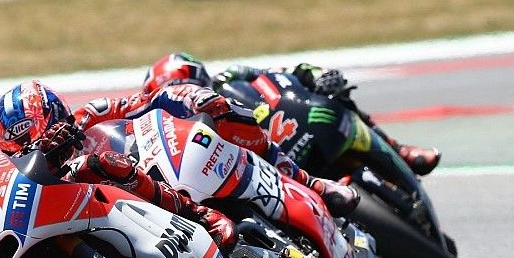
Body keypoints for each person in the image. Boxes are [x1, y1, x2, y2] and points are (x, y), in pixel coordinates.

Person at [64, 53, 359, 217]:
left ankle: (313, 184)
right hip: (163, 183)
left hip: (210, 150)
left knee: (246, 135)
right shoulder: (62, 161)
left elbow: (106, 109)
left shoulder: (91, 115)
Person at [0, 80, 236, 248]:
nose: (31, 150)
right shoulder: (11, 180)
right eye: (18, 149)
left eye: (36, 138)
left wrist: (195, 96)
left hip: (154, 189)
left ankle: (200, 216)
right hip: (75, 225)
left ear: (57, 115)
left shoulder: (90, 116)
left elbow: (150, 100)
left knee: (96, 164)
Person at [218, 63, 441, 176]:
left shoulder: (230, 77)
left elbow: (282, 72)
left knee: (330, 94)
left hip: (293, 125)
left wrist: (316, 76)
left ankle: (396, 148)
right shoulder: (186, 127)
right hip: (259, 164)